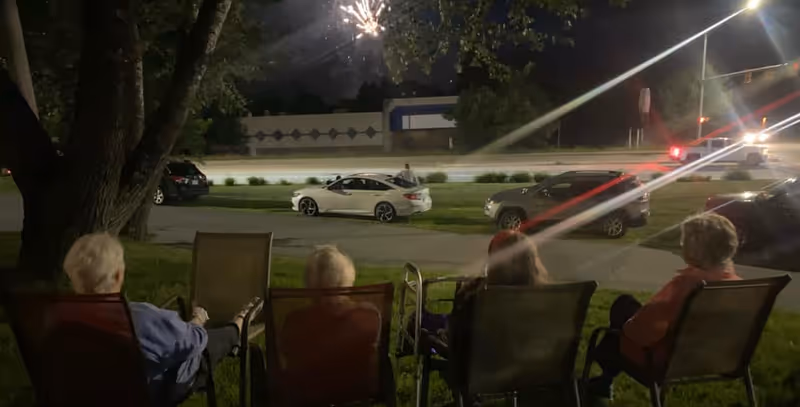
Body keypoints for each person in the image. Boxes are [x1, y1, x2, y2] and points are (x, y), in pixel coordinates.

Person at [63, 233, 260, 405]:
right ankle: (238, 325)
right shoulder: (140, 319)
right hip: (155, 392)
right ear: (118, 275)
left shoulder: (64, 325)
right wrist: (197, 320)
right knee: (204, 345)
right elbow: (193, 341)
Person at [587, 213, 742, 401]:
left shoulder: (688, 286)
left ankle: (603, 378)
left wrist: (627, 326)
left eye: (685, 240)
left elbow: (636, 331)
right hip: (715, 358)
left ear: (696, 248)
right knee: (627, 305)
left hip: (666, 361)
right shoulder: (736, 285)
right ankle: (604, 381)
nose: (681, 245)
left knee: (617, 325)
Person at [279, 245, 381, 405]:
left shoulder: (294, 320)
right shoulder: (368, 316)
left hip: (305, 396)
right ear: (347, 279)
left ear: (309, 283)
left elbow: (286, 355)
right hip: (355, 394)